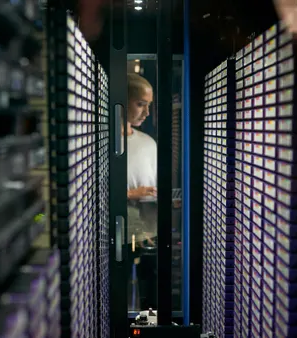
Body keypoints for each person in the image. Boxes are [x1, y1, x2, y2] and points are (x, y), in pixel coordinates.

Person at [125, 73, 158, 311]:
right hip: (117, 236)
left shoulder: (148, 143)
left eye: (149, 106)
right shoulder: (102, 140)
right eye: (140, 104)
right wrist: (130, 194)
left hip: (148, 234)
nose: (146, 113)